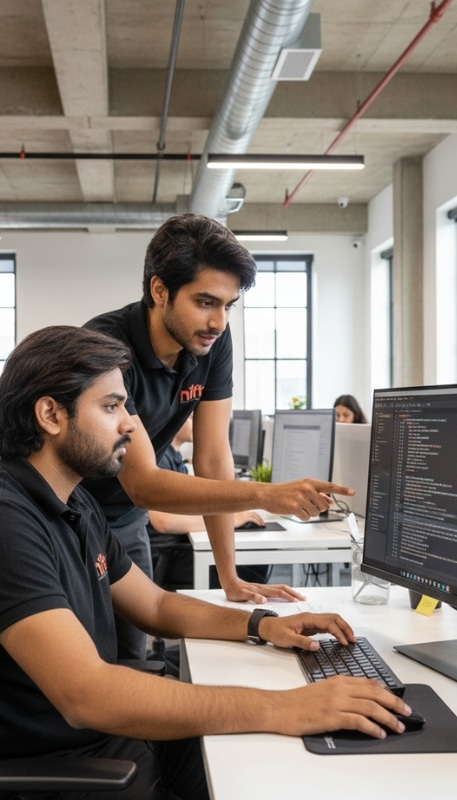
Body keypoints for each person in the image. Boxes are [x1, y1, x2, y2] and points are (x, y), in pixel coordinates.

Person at [0, 325, 411, 800]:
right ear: (51, 414)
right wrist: (282, 707)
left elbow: (154, 605)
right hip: (53, 774)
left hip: (100, 748)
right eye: (111, 407)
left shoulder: (72, 502)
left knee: (292, 764)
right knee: (278, 763)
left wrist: (262, 624)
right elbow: (87, 693)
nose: (130, 424)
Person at [83, 214, 353, 658]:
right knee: (92, 658)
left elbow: (212, 457)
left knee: (134, 656)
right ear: (159, 291)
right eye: (206, 301)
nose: (219, 321)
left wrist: (229, 577)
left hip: (127, 519)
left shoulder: (210, 343)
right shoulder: (107, 348)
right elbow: (145, 481)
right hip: (73, 515)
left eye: (228, 305)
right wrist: (264, 495)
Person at [147, 414, 269, 590]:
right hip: (166, 555)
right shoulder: (161, 458)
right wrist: (231, 519)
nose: (198, 423)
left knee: (253, 561)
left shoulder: (173, 456)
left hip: (174, 547)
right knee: (252, 570)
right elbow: (162, 521)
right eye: (190, 418)